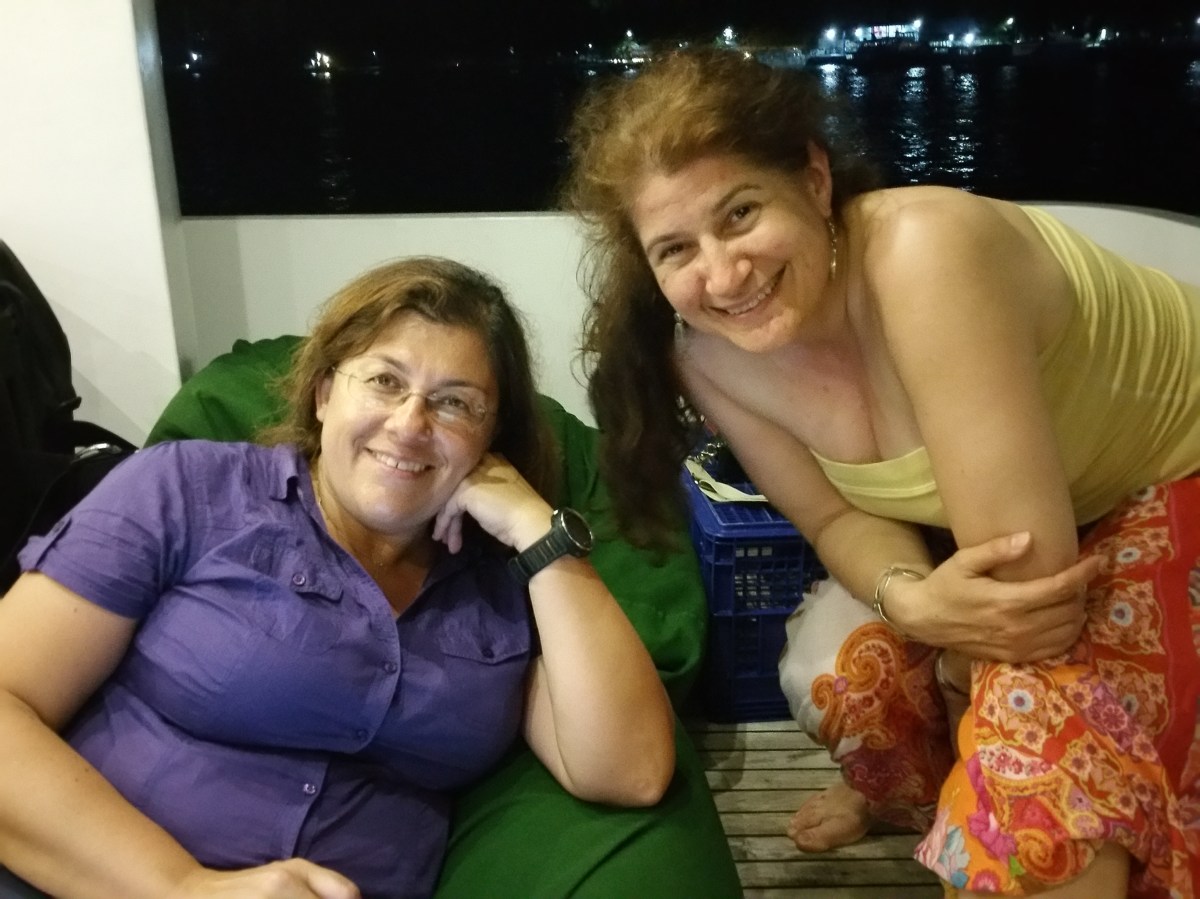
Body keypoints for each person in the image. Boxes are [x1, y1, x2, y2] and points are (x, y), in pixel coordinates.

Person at [561, 46, 1200, 898]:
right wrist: (910, 599)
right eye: (676, 249)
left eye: (740, 212)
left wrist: (957, 669)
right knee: (842, 671)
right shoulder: (710, 358)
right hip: (1016, 531)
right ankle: (926, 802)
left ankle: (1010, 806)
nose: (722, 273)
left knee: (1036, 773)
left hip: (1167, 474)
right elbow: (833, 520)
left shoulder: (923, 253)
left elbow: (1030, 595)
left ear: (814, 179)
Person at [0, 256, 676, 899]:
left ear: (490, 437)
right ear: (324, 392)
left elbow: (630, 771)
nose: (410, 424)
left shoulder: (502, 585)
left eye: (455, 403)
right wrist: (182, 886)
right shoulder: (186, 488)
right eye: (384, 381)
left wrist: (539, 530)